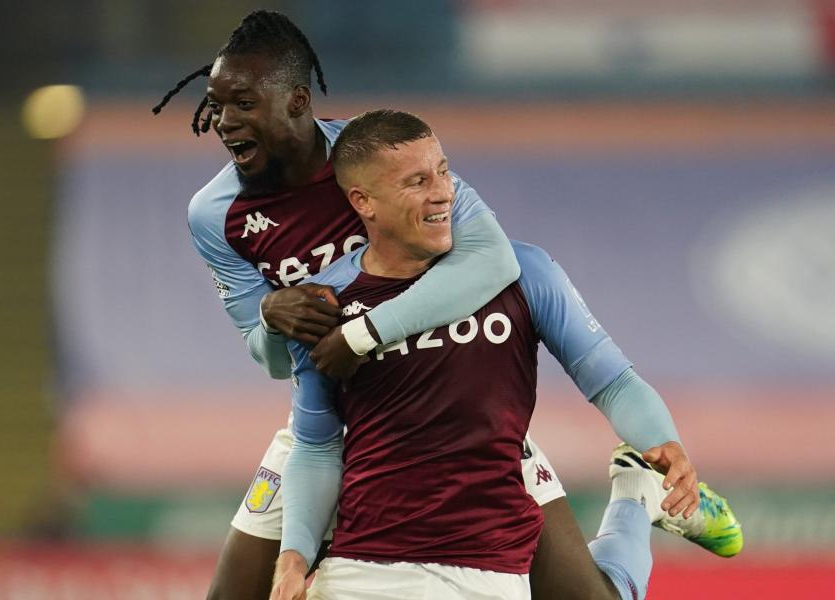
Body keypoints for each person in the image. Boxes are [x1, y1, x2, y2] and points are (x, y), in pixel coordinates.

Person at [153, 11, 742, 600]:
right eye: (218, 104)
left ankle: (636, 493)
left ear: (297, 102)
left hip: (465, 421)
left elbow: (498, 263)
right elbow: (279, 363)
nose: (224, 123)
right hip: (342, 423)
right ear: (362, 201)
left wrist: (363, 334)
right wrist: (270, 316)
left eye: (244, 104)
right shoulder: (216, 215)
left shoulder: (384, 154)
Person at [268, 109, 705, 600]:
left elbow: (613, 382)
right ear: (363, 201)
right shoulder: (325, 303)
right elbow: (316, 446)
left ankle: (635, 493)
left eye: (444, 171)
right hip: (360, 569)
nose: (442, 192)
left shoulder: (524, 273)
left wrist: (664, 439)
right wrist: (294, 557)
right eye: (417, 181)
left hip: (487, 572)